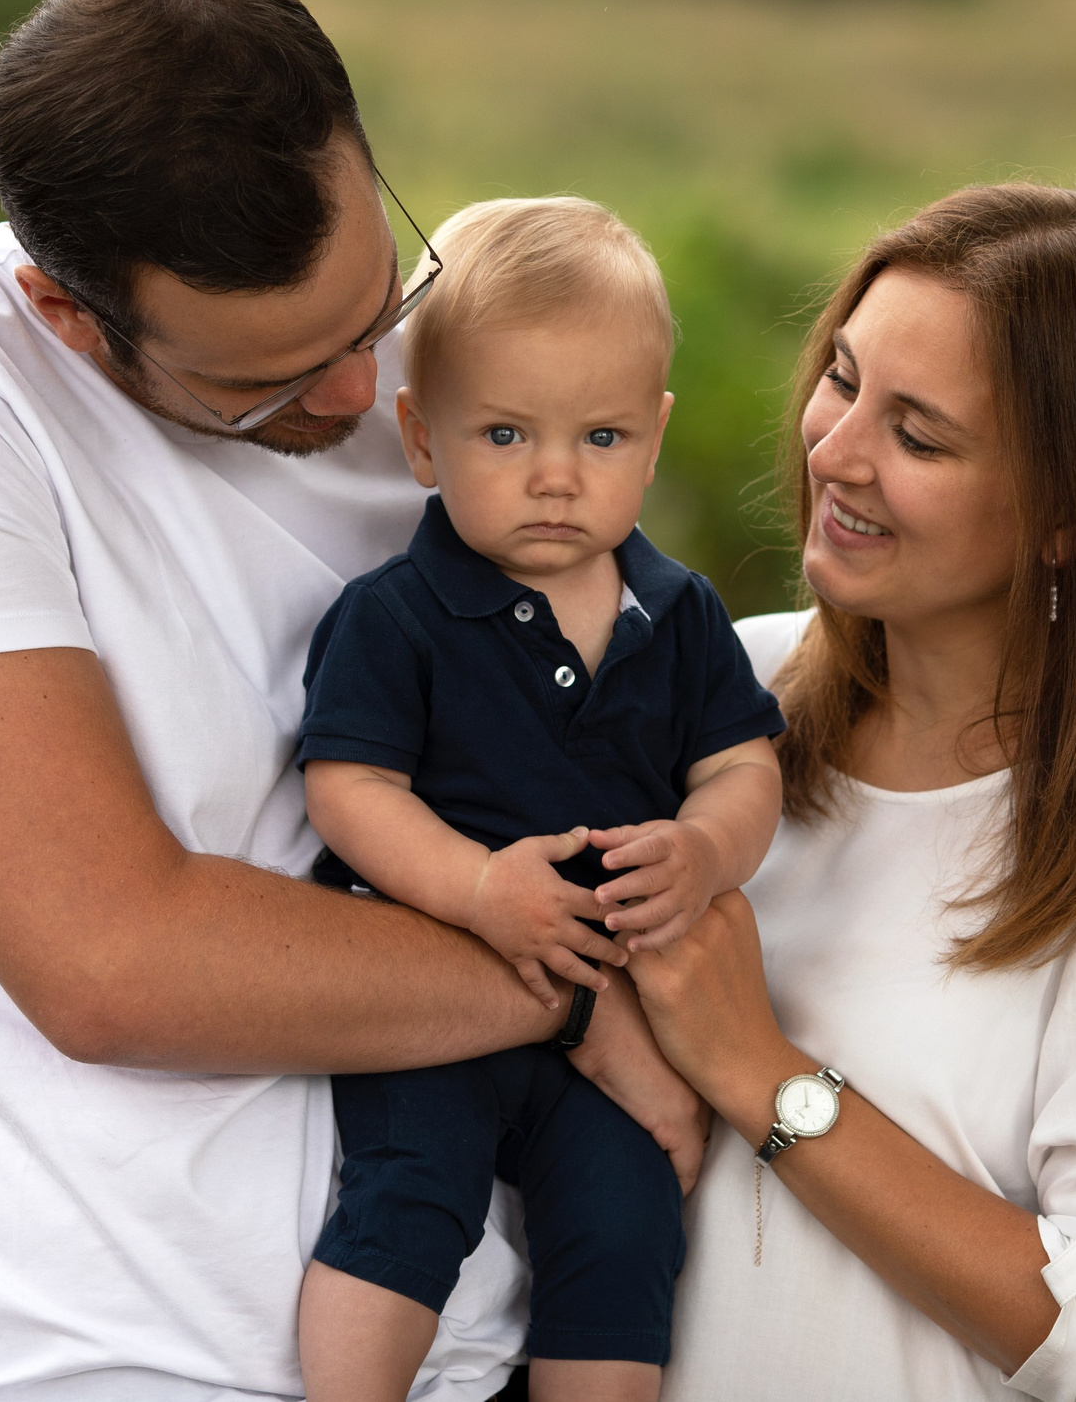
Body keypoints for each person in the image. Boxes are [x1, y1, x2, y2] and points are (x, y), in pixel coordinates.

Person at [0, 0, 698, 1402]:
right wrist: (581, 990)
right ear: (73, 316)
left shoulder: (445, 360)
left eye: (375, 309)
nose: (359, 397)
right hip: (126, 1359)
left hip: (498, 1340)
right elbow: (113, 958)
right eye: (262, 383)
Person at [614, 184, 1076, 1402]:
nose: (832, 452)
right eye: (841, 379)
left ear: (1068, 519)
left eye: (920, 436)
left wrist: (760, 1072)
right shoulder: (717, 680)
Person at [290, 198, 786, 1402]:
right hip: (439, 986)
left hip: (614, 1013)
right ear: (421, 439)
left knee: (626, 1235)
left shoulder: (679, 617)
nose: (556, 478)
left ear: (654, 438)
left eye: (601, 439)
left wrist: (706, 849)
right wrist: (473, 885)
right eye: (504, 435)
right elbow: (348, 787)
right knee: (411, 1200)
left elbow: (742, 765)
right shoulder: (395, 615)